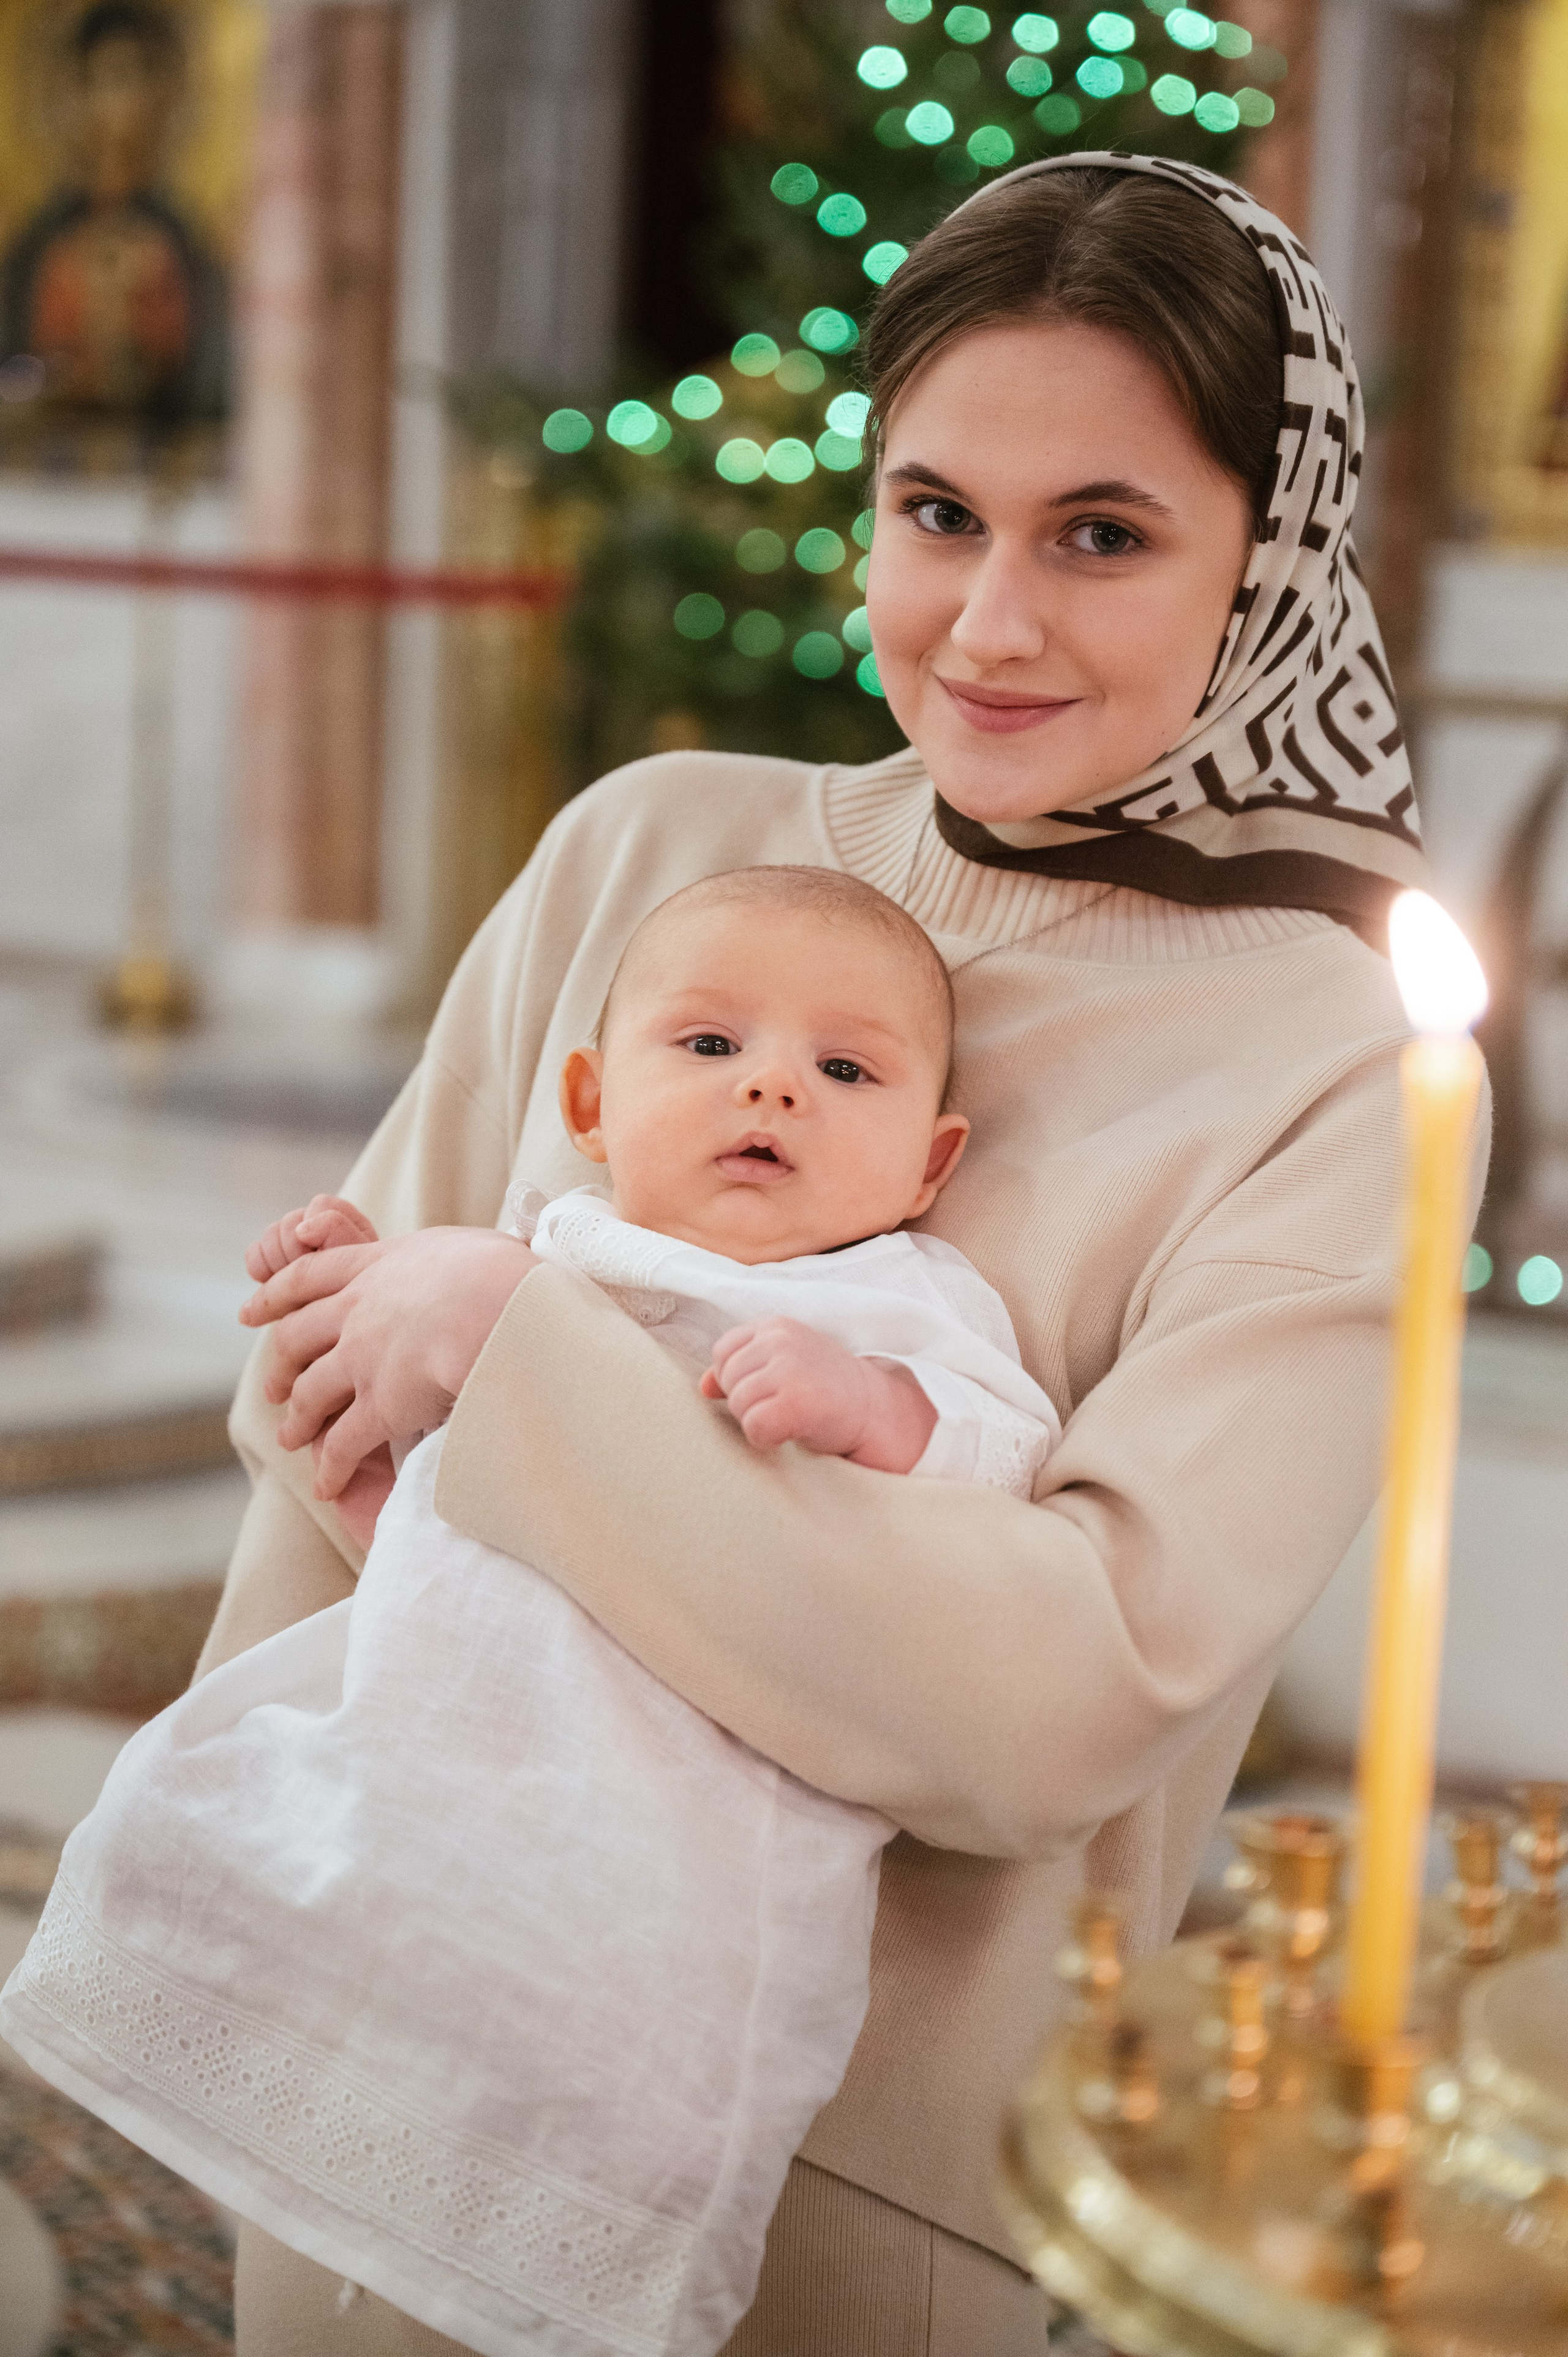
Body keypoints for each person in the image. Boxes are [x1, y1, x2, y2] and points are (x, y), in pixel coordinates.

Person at [85, 155, 1478, 2349]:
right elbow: (331, 1398)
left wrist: (519, 1354)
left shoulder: (1338, 1049)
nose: (988, 620)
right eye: (936, 511)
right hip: (401, 2037)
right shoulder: (648, 852)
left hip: (846, 2187)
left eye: (1099, 534)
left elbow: (1056, 1698)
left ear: (1270, 566)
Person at [2, 868, 1062, 2357]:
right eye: (706, 1046)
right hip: (456, 1727)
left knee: (602, 2030)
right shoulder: (556, 1242)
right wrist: (345, 1293)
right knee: (297, 1849)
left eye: (843, 1069)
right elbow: (438, 1485)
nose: (771, 1084)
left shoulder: (897, 1299)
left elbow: (994, 1460)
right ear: (587, 1100)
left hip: (675, 1795)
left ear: (929, 1160)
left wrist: (870, 1404)